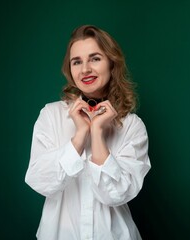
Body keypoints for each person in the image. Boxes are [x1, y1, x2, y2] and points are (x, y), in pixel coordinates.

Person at [25, 25, 151, 240]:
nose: (85, 69)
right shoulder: (51, 115)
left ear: (112, 64)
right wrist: (80, 134)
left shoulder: (132, 125)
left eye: (95, 58)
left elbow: (117, 194)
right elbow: (39, 181)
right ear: (70, 69)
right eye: (77, 62)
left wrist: (98, 133)